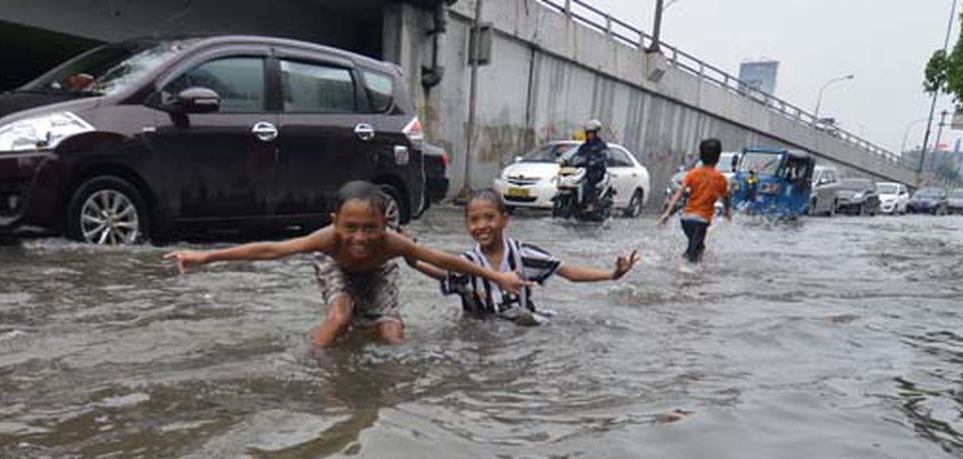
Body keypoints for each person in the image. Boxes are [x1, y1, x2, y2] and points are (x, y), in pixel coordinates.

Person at [163, 181, 530, 346]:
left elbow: (443, 259)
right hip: (334, 266)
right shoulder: (326, 240)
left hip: (379, 272)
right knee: (340, 318)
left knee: (392, 334)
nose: (360, 238)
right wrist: (205, 256)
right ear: (335, 222)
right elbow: (271, 250)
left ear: (385, 226)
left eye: (370, 228)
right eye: (350, 227)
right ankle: (314, 366)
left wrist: (497, 277)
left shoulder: (391, 243)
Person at [411, 189, 638, 322]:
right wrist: (411, 259)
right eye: (474, 220)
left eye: (489, 217)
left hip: (520, 327)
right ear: (467, 225)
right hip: (480, 334)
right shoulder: (468, 263)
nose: (482, 226)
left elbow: (568, 272)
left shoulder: (524, 256)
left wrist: (612, 274)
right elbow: (442, 272)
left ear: (505, 219)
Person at [658, 138, 731, 263]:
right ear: (718, 157)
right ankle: (687, 274)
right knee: (694, 254)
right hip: (701, 222)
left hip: (686, 219)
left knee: (698, 247)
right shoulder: (720, 178)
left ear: (700, 156)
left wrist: (667, 213)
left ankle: (686, 265)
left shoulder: (693, 173)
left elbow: (679, 194)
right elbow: (726, 198)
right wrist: (727, 213)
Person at [570, 119, 609, 211]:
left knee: (589, 181)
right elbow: (577, 155)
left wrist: (596, 161)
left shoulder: (601, 145)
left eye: (592, 133)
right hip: (584, 170)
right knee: (573, 180)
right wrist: (570, 161)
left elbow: (604, 156)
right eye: (588, 133)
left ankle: (593, 203)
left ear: (596, 134)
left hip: (597, 171)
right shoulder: (584, 146)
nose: (590, 135)